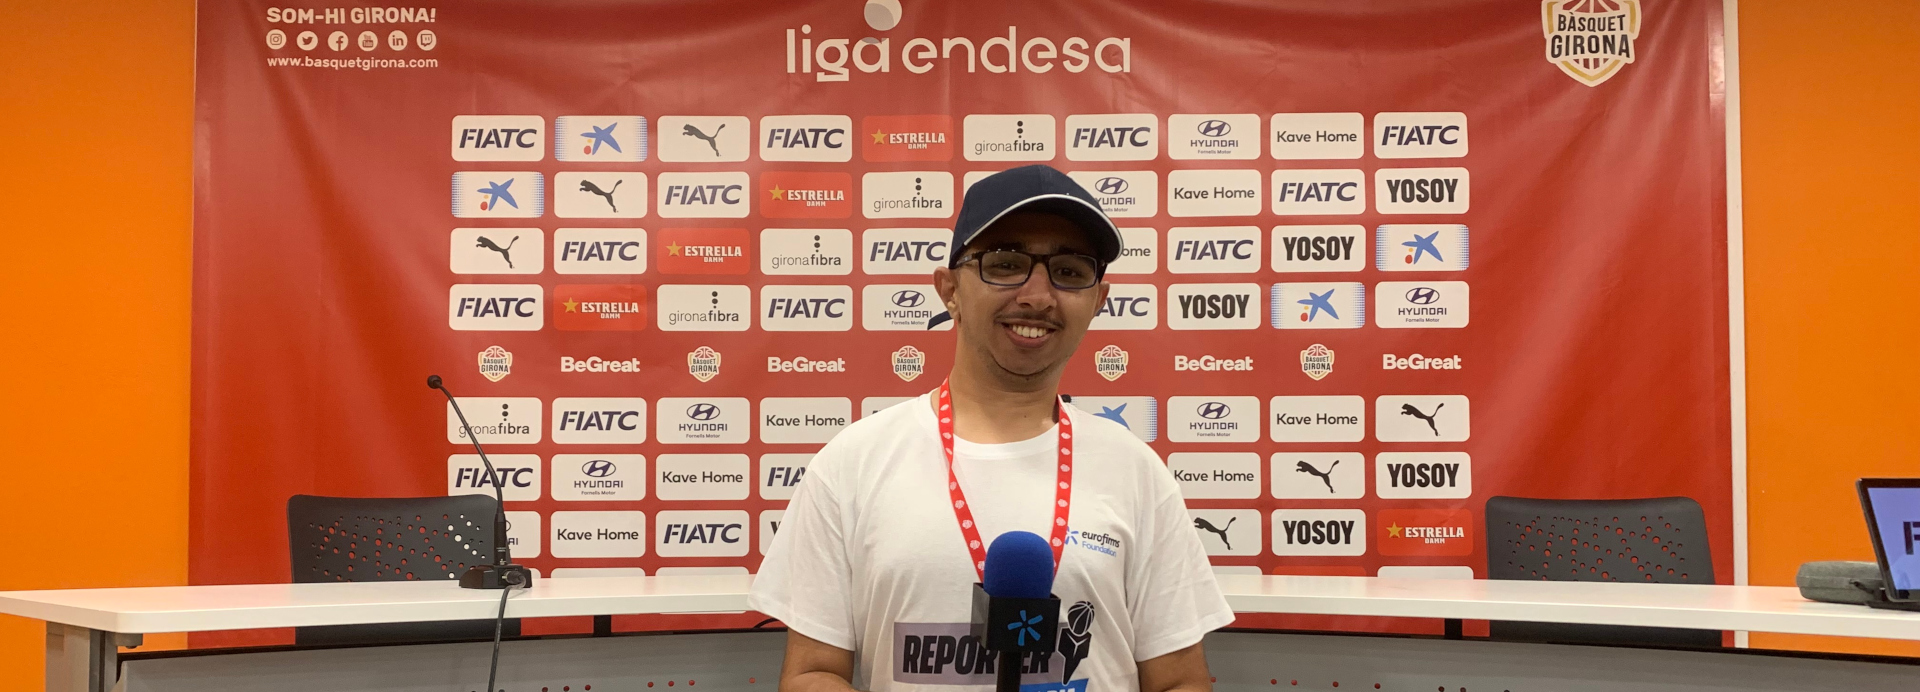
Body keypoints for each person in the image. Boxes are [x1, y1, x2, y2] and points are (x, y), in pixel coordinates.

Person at [751, 165, 1233, 692]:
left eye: (1069, 271)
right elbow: (814, 672)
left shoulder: (1136, 471)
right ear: (949, 289)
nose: (1038, 296)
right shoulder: (854, 462)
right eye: (1006, 264)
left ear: (1098, 301)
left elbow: (1179, 680)